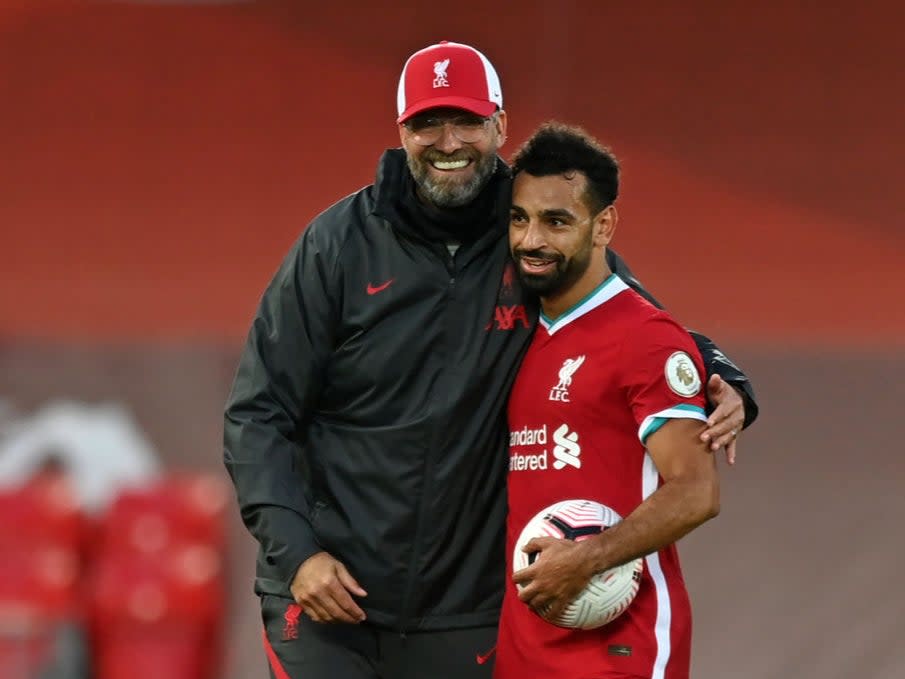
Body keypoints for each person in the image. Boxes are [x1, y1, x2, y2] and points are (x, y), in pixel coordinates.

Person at [223, 41, 756, 679]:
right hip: (328, 595)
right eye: (427, 123)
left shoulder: (531, 230)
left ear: (500, 126)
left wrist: (726, 376)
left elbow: (624, 316)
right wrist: (297, 555)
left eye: (467, 122)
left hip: (463, 610)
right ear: (402, 132)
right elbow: (259, 411)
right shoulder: (335, 246)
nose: (448, 141)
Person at [495, 123, 722, 679]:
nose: (531, 240)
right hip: (525, 646)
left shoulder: (645, 336)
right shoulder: (517, 333)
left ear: (604, 226)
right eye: (519, 218)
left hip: (619, 650)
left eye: (556, 221)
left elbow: (697, 492)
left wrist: (588, 559)